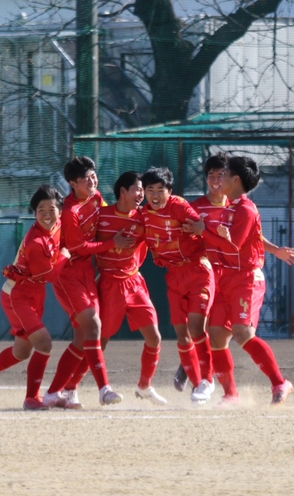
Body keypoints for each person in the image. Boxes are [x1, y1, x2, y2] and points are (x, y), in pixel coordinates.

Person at [184, 155, 294, 407]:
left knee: (243, 332)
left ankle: (280, 382)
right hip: (222, 277)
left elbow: (234, 244)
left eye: (223, 175)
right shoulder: (231, 207)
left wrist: (204, 232)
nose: (218, 179)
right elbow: (249, 239)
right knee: (216, 336)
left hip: (246, 278)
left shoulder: (245, 208)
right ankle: (231, 394)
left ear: (235, 179)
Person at [43, 156, 133, 408]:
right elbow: (77, 247)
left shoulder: (95, 198)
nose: (93, 181)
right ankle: (104, 389)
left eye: (94, 176)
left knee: (83, 339)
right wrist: (111, 244)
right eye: (86, 179)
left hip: (86, 273)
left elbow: (107, 214)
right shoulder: (70, 210)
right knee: (93, 327)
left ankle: (56, 393)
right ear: (73, 183)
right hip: (68, 275)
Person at [0, 185, 70, 410]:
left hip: (34, 294)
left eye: (52, 209)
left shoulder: (59, 226)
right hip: (17, 295)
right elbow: (49, 276)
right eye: (41, 210)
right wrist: (65, 255)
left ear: (60, 211)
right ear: (34, 212)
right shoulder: (35, 242)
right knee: (44, 343)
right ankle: (32, 398)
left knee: (22, 352)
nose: (47, 215)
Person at [140, 167, 215, 405]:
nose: (154, 195)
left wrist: (200, 228)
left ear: (169, 192)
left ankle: (208, 380)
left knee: (196, 328)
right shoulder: (143, 215)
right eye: (149, 189)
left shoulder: (179, 207)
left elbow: (203, 229)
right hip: (174, 276)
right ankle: (197, 385)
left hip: (197, 270)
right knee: (181, 335)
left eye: (160, 190)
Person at [95, 171, 166, 405]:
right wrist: (109, 244)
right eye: (138, 189)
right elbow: (85, 245)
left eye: (142, 190)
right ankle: (82, 388)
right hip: (108, 284)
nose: (141, 194)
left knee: (154, 337)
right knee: (100, 340)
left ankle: (145, 386)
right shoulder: (101, 215)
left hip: (134, 283)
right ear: (123, 191)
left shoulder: (143, 217)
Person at [172, 152, 229, 392]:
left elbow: (251, 238)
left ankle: (204, 377)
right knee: (202, 329)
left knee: (221, 336)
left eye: (221, 175)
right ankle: (198, 374)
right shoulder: (194, 208)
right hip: (205, 275)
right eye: (211, 175)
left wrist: (275, 251)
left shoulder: (240, 206)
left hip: (232, 276)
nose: (216, 180)